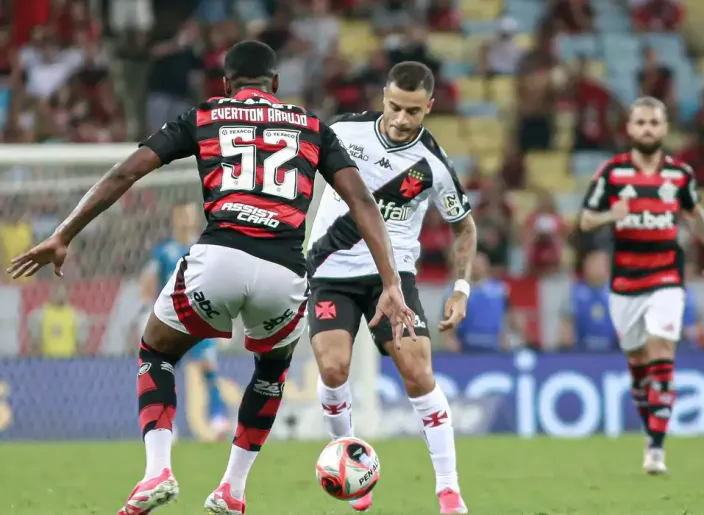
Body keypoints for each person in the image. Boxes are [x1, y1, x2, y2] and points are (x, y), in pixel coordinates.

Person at [6, 40, 415, 515]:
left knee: (156, 350)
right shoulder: (311, 126)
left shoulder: (205, 116)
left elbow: (124, 174)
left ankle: (157, 470)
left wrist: (63, 234)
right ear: (276, 85)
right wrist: (391, 281)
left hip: (219, 257)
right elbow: (363, 203)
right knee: (270, 370)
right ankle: (232, 490)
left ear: (226, 84)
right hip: (284, 273)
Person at [306, 61, 476, 514]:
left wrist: (461, 288)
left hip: (394, 281)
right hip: (330, 270)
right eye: (396, 107)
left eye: (414, 112)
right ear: (383, 95)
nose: (402, 120)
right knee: (333, 369)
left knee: (419, 372)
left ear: (430, 108)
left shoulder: (434, 164)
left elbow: (465, 228)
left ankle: (448, 490)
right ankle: (353, 469)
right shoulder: (341, 132)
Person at [578, 96, 704, 474]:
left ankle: (656, 450)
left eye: (654, 123)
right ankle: (651, 430)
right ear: (629, 128)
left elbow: (694, 212)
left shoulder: (679, 175)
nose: (647, 129)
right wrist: (614, 213)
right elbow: (585, 221)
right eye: (640, 122)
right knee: (638, 365)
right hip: (625, 282)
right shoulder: (612, 173)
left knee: (661, 351)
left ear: (664, 128)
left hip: (666, 278)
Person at [139, 201, 229, 438]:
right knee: (165, 369)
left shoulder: (204, 248)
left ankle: (219, 418)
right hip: (172, 319)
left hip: (201, 316)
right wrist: (147, 308)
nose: (186, 219)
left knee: (209, 368)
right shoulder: (163, 251)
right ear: (174, 218)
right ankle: (167, 424)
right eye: (182, 214)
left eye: (189, 214)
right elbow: (147, 283)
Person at [443, 251, 513, 353]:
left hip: (494, 345)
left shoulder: (499, 290)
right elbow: (447, 319)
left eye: (479, 264)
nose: (476, 268)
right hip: (465, 346)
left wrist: (506, 335)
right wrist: (450, 339)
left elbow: (507, 314)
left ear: (486, 266)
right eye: (473, 265)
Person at [560, 250, 617, 351]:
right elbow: (566, 327)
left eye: (599, 263)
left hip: (613, 354)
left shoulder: (617, 294)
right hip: (582, 355)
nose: (594, 267)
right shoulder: (574, 292)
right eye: (590, 263)